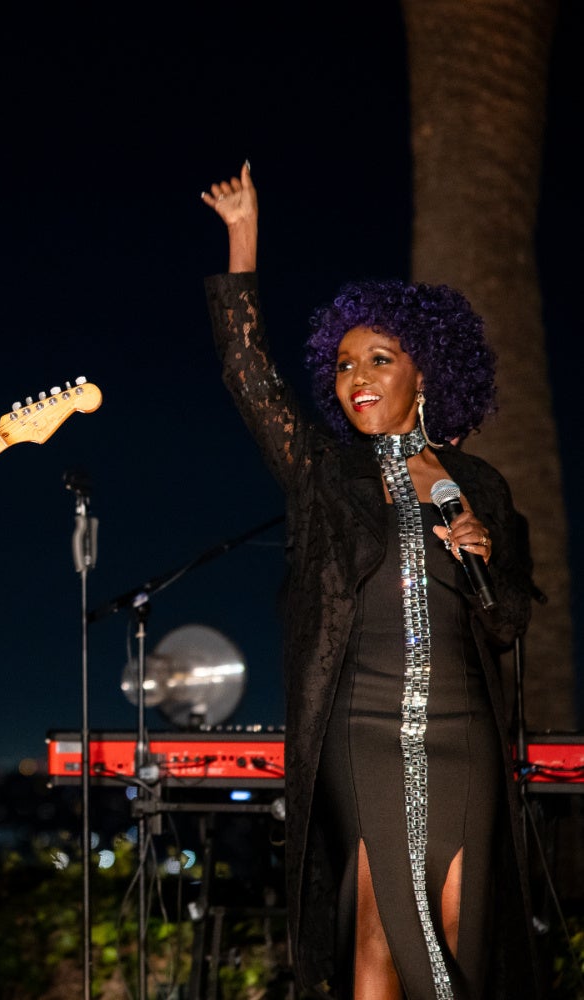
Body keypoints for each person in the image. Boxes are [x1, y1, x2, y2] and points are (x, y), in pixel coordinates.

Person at [200, 164, 539, 998]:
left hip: (464, 728)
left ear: (424, 376)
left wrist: (483, 552)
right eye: (345, 364)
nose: (356, 378)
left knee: (458, 923)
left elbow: (507, 624)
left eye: (379, 360)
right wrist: (243, 238)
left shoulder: (480, 485)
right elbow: (248, 372)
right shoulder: (323, 472)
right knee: (380, 926)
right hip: (362, 725)